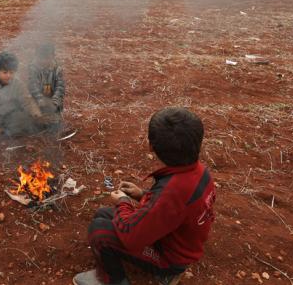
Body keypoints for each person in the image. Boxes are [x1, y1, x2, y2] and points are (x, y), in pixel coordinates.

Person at [73, 107, 216, 285]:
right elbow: (176, 208)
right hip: (178, 238)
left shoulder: (172, 191)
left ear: (151, 146)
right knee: (103, 213)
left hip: (171, 258)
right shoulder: (201, 173)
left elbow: (131, 237)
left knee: (99, 231)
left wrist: (123, 201)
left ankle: (114, 281)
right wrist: (142, 194)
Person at [28, 43, 65, 128]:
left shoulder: (57, 69)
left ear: (52, 57)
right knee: (34, 121)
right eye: (41, 58)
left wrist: (55, 101)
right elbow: (32, 86)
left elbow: (60, 87)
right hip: (37, 99)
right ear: (36, 56)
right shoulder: (32, 68)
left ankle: (52, 114)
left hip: (51, 99)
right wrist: (40, 99)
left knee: (54, 123)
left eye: (47, 58)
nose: (43, 61)